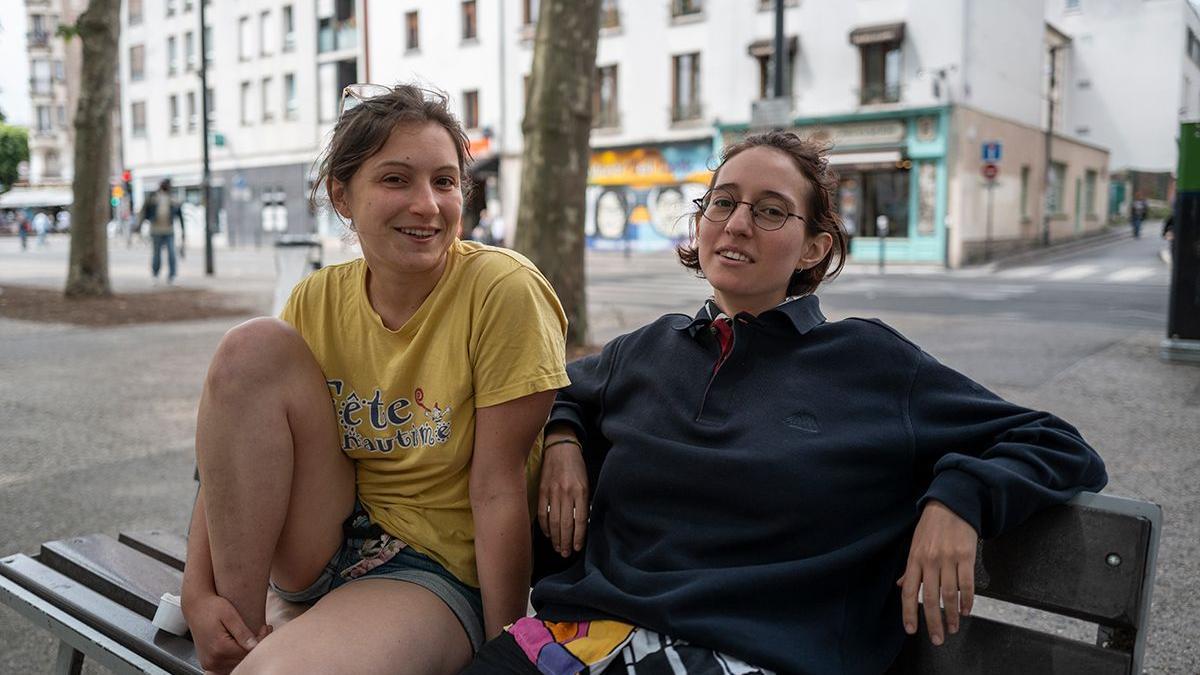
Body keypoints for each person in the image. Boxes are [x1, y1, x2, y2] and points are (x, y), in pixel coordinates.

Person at [465, 131, 1108, 675]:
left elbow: (1057, 443)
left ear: (814, 247)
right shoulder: (648, 348)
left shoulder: (870, 363)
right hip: (589, 638)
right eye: (724, 202)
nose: (738, 223)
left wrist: (959, 499)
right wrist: (566, 437)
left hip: (752, 654)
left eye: (771, 211)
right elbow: (560, 388)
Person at [180, 84, 570, 675]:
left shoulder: (502, 291)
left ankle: (269, 649)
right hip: (321, 543)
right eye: (395, 180)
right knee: (249, 347)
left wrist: (503, 653)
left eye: (444, 181)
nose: (428, 205)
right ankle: (238, 626)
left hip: (430, 569)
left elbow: (497, 490)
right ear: (342, 195)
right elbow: (230, 457)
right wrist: (197, 595)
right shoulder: (317, 298)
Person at [139, 179, 184, 283]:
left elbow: (179, 215)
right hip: (156, 229)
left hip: (169, 230)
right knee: (157, 254)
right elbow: (145, 211)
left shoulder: (173, 198)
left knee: (172, 253)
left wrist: (182, 232)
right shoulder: (153, 197)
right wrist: (140, 225)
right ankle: (155, 274)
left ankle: (172, 276)